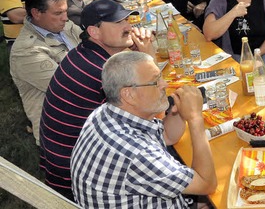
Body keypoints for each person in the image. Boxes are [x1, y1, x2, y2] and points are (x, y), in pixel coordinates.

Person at [39, 0, 155, 200]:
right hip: (82, 176)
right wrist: (147, 61)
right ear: (94, 32)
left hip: (65, 161)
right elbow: (150, 112)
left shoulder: (83, 53)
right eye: (118, 23)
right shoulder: (101, 72)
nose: (128, 27)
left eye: (127, 20)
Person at [71, 51, 217, 207]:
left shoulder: (104, 113)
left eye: (160, 76)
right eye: (155, 82)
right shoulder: (136, 153)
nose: (165, 85)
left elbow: (167, 136)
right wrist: (195, 118)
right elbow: (207, 183)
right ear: (129, 95)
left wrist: (179, 112)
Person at [9, 0, 82, 145]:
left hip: (83, 115)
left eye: (65, 11)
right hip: (62, 133)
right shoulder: (26, 52)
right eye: (58, 13)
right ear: (36, 13)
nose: (65, 18)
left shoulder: (64, 26)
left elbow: (94, 47)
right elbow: (70, 89)